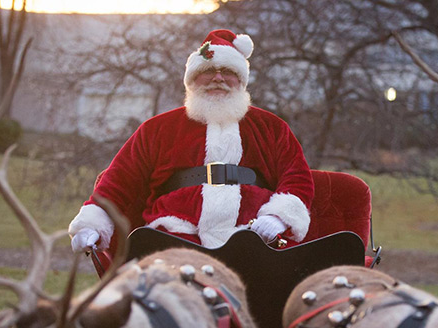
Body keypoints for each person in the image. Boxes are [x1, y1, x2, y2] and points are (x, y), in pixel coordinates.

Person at [68, 29, 314, 253]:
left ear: (241, 81)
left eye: (228, 72)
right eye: (207, 71)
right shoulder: (157, 129)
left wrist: (278, 217)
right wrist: (92, 224)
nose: (218, 78)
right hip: (174, 236)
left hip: (251, 238)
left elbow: (297, 177)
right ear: (192, 80)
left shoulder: (271, 127)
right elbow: (120, 180)